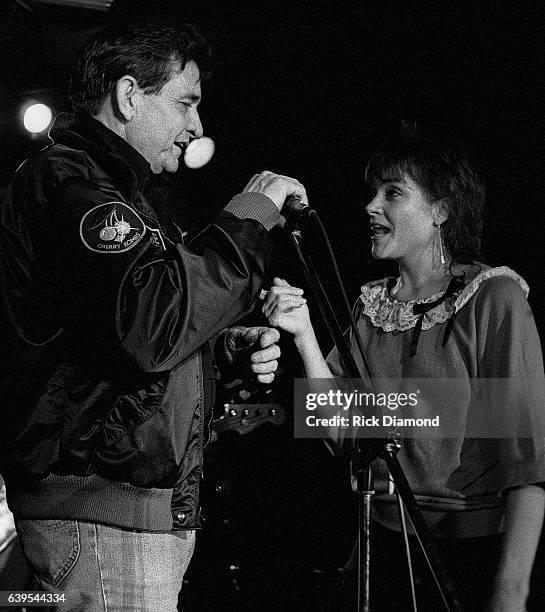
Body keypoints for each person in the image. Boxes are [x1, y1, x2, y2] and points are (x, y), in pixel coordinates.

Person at [0, 19, 308, 611]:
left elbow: (119, 340)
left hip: (122, 509)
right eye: (185, 102)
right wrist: (248, 217)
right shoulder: (69, 183)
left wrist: (216, 352)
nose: (197, 126)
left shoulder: (123, 195)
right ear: (128, 95)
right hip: (98, 511)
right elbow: (151, 325)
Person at [262, 124, 545, 611]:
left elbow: (527, 461)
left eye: (393, 193)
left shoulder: (493, 299)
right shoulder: (373, 305)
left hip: (468, 554)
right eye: (373, 192)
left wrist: (510, 595)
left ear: (441, 209)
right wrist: (304, 334)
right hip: (382, 547)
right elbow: (339, 431)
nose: (371, 206)